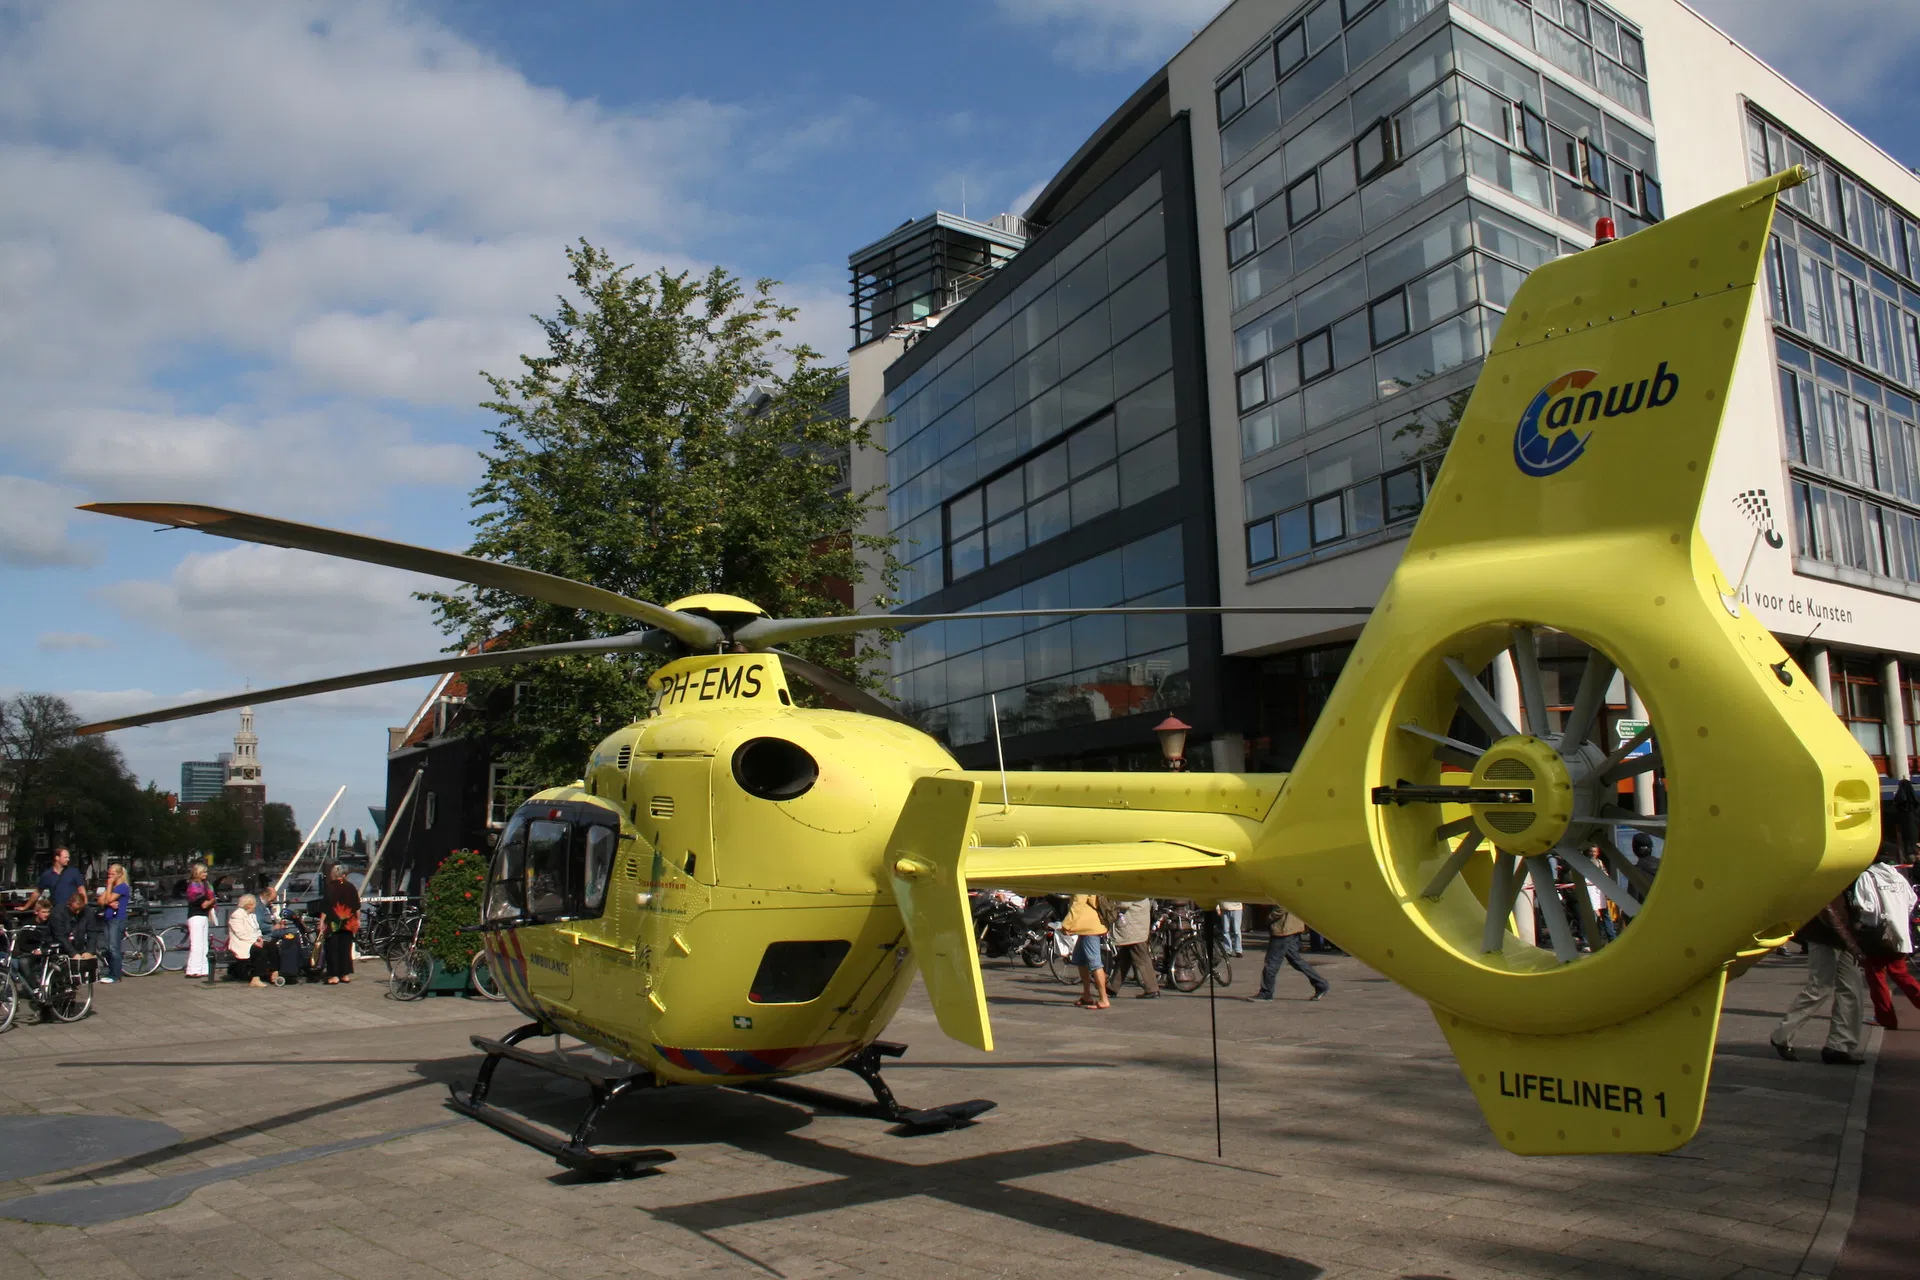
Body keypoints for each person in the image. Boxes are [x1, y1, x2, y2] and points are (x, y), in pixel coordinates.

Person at [1771, 891, 1870, 1064]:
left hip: (1841, 933)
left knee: (1851, 989)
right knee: (1822, 986)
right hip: (1828, 931)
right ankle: (1782, 1035)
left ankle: (1840, 1046)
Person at [1854, 858, 1920, 1029]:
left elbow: (1866, 907)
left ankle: (1886, 1018)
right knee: (1901, 973)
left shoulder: (1867, 877)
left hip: (1878, 935)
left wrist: (1860, 922)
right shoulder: (1898, 876)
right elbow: (1912, 900)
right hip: (1900, 934)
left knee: (1877, 977)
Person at [1248, 905, 1329, 1002]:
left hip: (1283, 929)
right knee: (1296, 961)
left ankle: (1266, 992)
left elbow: (1282, 905)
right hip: (1292, 928)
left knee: (1271, 963)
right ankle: (1321, 984)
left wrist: (1270, 917)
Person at [29, 848, 85, 949]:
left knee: (74, 938)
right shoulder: (47, 875)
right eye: (65, 857)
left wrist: (83, 906)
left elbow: (81, 891)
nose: (68, 859)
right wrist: (26, 906)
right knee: (58, 937)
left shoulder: (74, 872)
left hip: (72, 911)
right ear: (57, 858)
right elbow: (38, 892)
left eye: (68, 857)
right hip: (57, 912)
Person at [1062, 893, 1107, 1010]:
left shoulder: (1082, 883)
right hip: (1084, 927)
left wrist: (1067, 924)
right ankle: (1086, 996)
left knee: (1095, 963)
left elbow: (1078, 903)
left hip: (1088, 928)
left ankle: (1104, 999)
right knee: (1081, 961)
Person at [1108, 898, 1159, 999]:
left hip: (1132, 924)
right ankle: (1113, 987)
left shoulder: (1131, 888)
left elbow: (1124, 903)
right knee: (1125, 957)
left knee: (1141, 956)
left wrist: (1112, 902)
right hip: (1136, 923)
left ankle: (1152, 988)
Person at [320, 863, 361, 985]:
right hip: (349, 922)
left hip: (334, 922)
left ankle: (334, 975)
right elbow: (356, 905)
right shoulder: (351, 887)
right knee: (345, 948)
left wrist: (321, 921)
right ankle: (345, 974)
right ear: (344, 875)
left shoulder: (330, 887)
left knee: (333, 948)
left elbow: (326, 906)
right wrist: (358, 919)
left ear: (333, 874)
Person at [95, 863, 132, 983]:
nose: (110, 877)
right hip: (108, 918)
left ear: (119, 874)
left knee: (113, 947)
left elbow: (108, 899)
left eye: (113, 874)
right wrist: (108, 901)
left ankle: (115, 975)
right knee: (108, 946)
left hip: (117, 919)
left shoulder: (122, 887)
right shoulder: (112, 887)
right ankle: (111, 972)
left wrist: (109, 887)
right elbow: (101, 901)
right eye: (109, 874)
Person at [227, 895, 272, 987]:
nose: (255, 906)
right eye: (254, 904)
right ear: (248, 905)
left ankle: (274, 973)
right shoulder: (237, 915)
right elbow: (241, 934)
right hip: (242, 943)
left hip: (252, 940)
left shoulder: (252, 915)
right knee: (260, 951)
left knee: (272, 946)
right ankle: (255, 978)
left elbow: (256, 929)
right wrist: (255, 941)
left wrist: (259, 937)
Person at [183, 863, 216, 981]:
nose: (205, 874)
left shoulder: (206, 885)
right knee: (196, 944)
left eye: (206, 872)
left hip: (204, 915)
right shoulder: (193, 886)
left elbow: (208, 901)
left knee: (203, 944)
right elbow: (202, 902)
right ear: (197, 873)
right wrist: (211, 900)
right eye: (203, 872)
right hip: (195, 915)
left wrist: (211, 901)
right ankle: (193, 970)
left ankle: (203, 968)